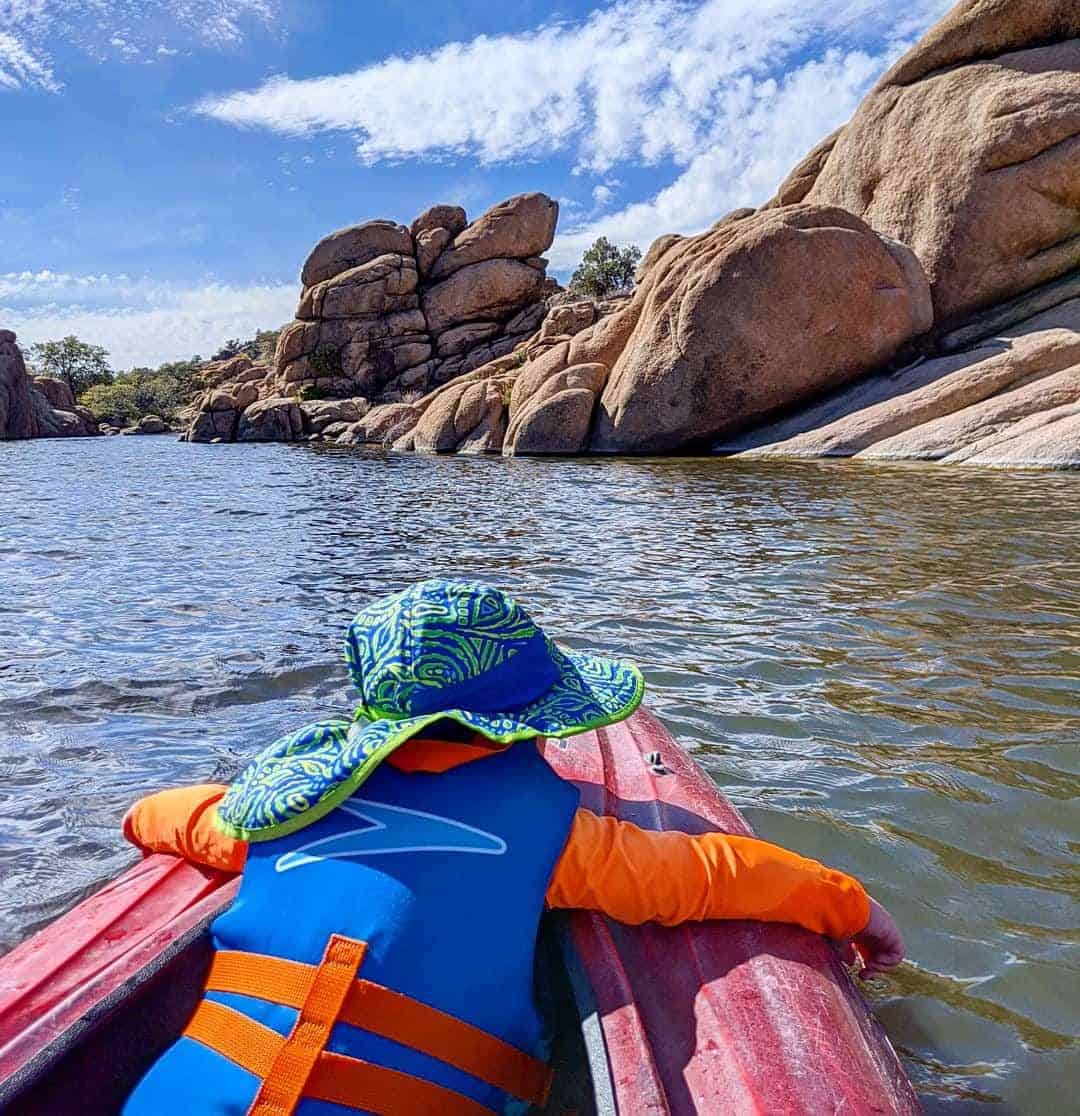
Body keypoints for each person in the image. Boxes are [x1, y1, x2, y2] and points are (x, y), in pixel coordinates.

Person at [121, 579, 904, 1116]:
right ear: (526, 724)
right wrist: (855, 906)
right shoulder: (557, 842)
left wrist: (156, 818)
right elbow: (708, 874)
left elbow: (158, 816)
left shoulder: (272, 816)